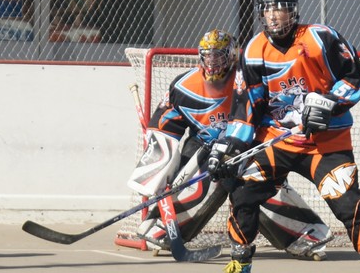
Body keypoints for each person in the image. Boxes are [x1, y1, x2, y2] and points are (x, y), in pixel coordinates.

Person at [202, 0, 360, 273]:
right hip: (277, 140)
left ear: (293, 11)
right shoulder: (254, 50)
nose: (273, 16)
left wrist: (329, 103)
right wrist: (227, 147)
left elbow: (354, 77)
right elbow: (247, 106)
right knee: (242, 189)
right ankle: (239, 266)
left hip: (326, 142)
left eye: (280, 9)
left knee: (348, 204)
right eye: (268, 10)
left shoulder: (320, 38)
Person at [123, 29, 333, 261]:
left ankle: (305, 233)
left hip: (246, 148)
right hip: (203, 147)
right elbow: (163, 127)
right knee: (199, 173)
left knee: (254, 182)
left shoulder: (252, 80)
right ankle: (163, 228)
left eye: (219, 56)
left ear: (232, 56)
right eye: (208, 55)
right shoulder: (184, 86)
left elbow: (275, 113)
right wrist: (158, 170)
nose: (212, 62)